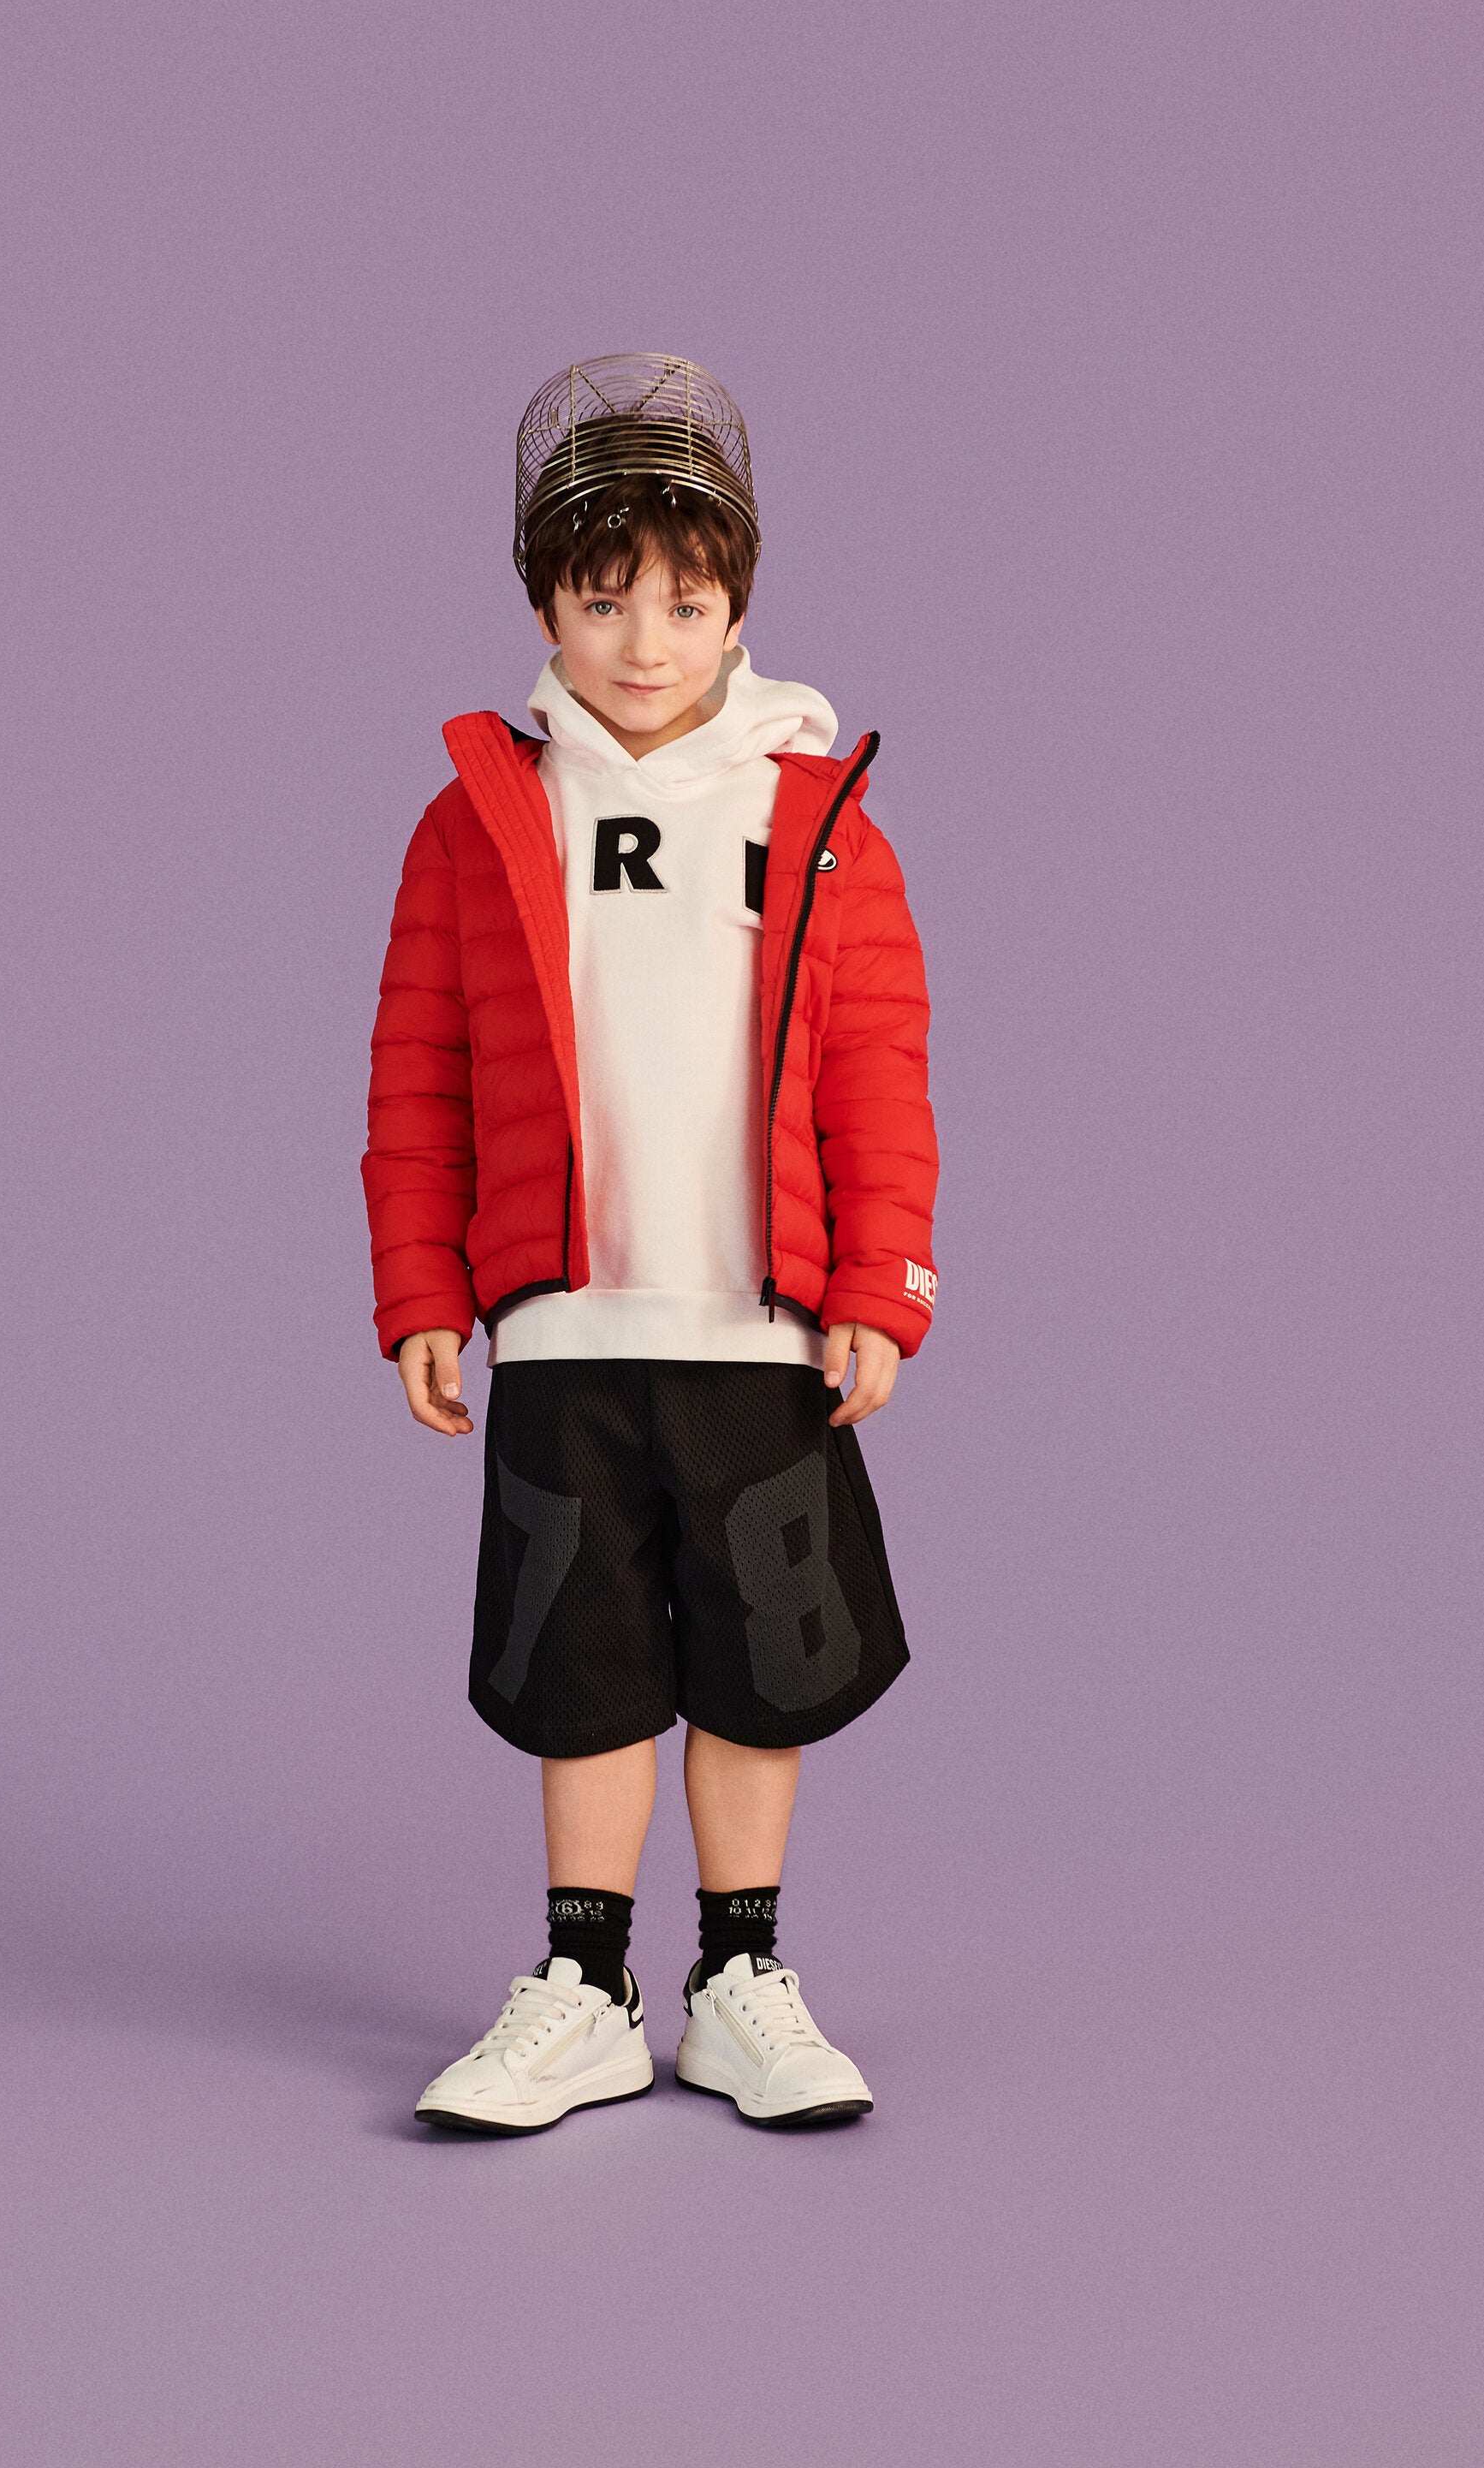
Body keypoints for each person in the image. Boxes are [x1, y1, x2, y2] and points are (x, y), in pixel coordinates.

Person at [362, 353, 939, 2132]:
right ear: (544, 601)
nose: (642, 642)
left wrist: (880, 1288)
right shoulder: (483, 820)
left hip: (761, 1332)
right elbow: (418, 1071)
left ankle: (741, 1977)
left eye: (684, 605)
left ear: (737, 607)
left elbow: (879, 1069)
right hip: (563, 1329)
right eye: (603, 600)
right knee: (583, 1656)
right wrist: (422, 1288)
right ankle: (586, 1985)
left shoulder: (815, 819)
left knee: (763, 1658)